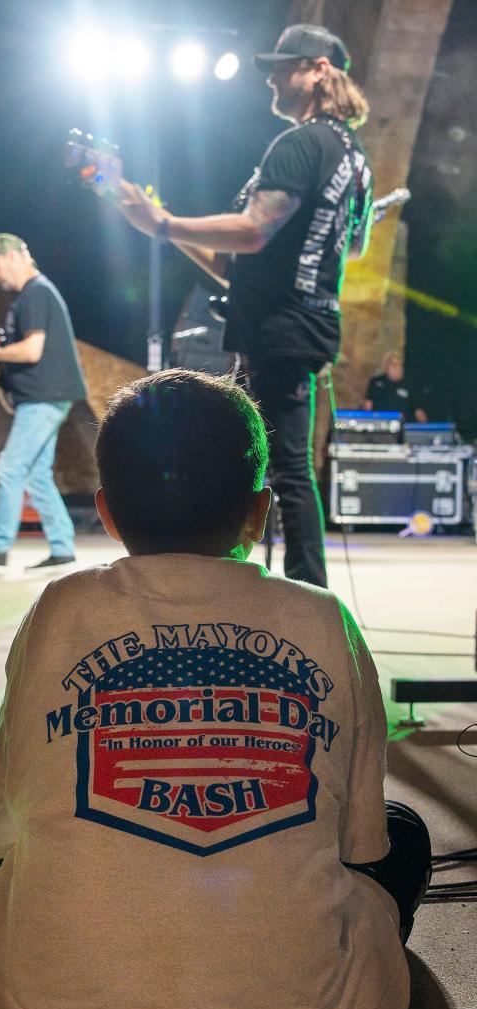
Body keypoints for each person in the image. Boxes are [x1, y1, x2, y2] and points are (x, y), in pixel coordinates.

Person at [0, 368, 432, 1009]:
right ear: (258, 510)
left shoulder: (58, 609)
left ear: (107, 512)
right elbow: (362, 849)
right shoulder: (324, 619)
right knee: (404, 836)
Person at [116, 25, 373, 589]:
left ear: (319, 70)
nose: (272, 79)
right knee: (276, 464)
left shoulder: (301, 144)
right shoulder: (354, 159)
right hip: (299, 321)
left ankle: (306, 597)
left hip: (279, 326)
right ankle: (283, 588)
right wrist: (170, 229)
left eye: (284, 66)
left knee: (279, 468)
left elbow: (254, 232)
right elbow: (334, 249)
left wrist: (162, 224)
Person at [0, 234, 87, 570]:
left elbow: (33, 350)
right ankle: (62, 547)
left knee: (10, 467)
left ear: (15, 256)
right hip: (48, 396)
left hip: (44, 397)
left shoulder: (36, 293)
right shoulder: (31, 296)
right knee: (36, 475)